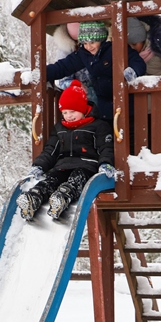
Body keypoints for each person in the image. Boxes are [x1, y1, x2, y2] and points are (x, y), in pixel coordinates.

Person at [17, 79, 116, 221]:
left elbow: (105, 147)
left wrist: (106, 163)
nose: (69, 116)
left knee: (77, 178)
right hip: (62, 166)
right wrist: (39, 166)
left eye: (73, 111)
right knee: (51, 179)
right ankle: (34, 197)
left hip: (86, 166)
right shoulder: (60, 128)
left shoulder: (98, 126)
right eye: (65, 112)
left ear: (83, 108)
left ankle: (62, 198)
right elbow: (50, 150)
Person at [46, 21, 147, 122]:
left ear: (101, 39)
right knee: (107, 128)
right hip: (104, 106)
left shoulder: (114, 49)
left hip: (124, 100)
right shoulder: (84, 54)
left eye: (92, 42)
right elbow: (62, 67)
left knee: (127, 127)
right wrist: (43, 73)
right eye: (85, 43)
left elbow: (137, 62)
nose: (89, 47)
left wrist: (131, 72)